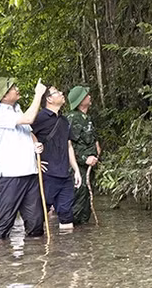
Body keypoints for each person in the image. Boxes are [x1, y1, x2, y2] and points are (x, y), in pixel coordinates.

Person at [0, 77, 47, 239]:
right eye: (13, 87)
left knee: (36, 224)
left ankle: (33, 261)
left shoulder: (18, 109)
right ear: (4, 96)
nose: (17, 89)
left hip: (30, 173)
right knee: (5, 223)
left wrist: (36, 144)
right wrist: (38, 95)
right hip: (10, 176)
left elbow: (28, 131)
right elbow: (29, 119)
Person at [32, 85, 82, 231]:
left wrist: (76, 170)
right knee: (39, 214)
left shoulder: (64, 120)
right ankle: (39, 248)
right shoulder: (39, 118)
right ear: (49, 99)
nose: (61, 93)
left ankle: (65, 250)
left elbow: (69, 146)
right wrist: (34, 160)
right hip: (47, 174)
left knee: (66, 214)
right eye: (57, 92)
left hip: (64, 175)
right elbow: (26, 134)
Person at [66, 86, 101, 225]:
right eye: (86, 95)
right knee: (77, 203)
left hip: (89, 168)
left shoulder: (87, 118)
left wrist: (97, 150)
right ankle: (70, 238)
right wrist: (84, 158)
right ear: (80, 101)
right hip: (77, 169)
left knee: (86, 204)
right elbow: (69, 145)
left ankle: (84, 240)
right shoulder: (72, 118)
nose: (90, 96)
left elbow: (92, 138)